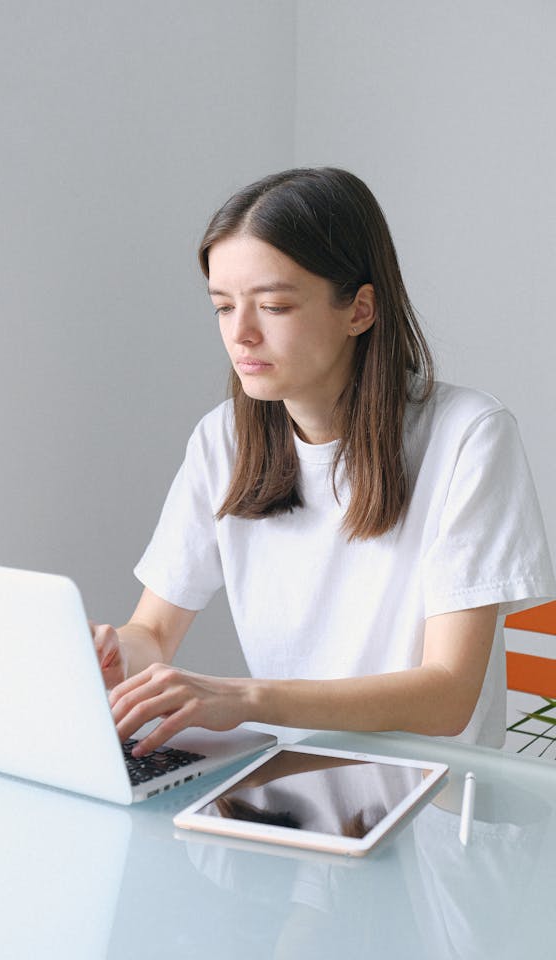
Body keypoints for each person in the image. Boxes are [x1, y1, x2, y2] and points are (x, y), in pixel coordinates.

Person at [91, 167, 555, 757]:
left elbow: (449, 695)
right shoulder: (222, 440)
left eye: (275, 306)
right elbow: (153, 631)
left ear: (360, 310)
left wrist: (247, 699)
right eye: (224, 307)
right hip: (285, 794)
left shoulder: (469, 436)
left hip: (427, 815)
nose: (242, 335)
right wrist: (115, 654)